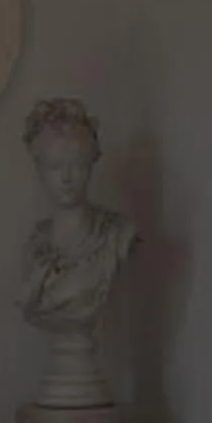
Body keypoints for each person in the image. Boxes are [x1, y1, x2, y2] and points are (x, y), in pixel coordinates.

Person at [19, 99, 136, 335]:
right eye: (55, 166)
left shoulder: (116, 234)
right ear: (39, 169)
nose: (66, 178)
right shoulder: (36, 246)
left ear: (91, 163)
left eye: (77, 165)